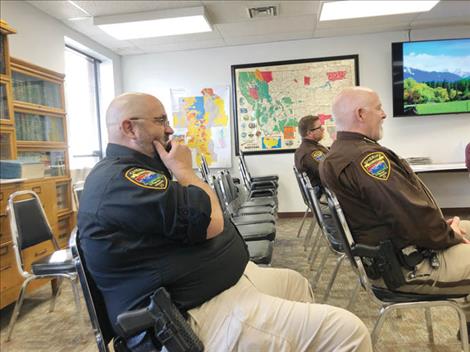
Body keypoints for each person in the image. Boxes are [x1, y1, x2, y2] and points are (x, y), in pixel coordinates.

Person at [78, 92, 372, 351]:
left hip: (215, 289)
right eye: (160, 120)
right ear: (129, 127)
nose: (169, 129)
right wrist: (184, 170)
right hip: (189, 316)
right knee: (348, 331)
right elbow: (209, 220)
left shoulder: (139, 172)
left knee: (294, 283)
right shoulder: (121, 180)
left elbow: (201, 211)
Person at [320, 86, 470, 337]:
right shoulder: (365, 159)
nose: (384, 114)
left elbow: (406, 216)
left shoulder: (339, 154)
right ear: (360, 113)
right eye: (378, 108)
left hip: (394, 252)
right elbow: (413, 219)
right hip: (407, 265)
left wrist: (447, 230)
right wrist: (450, 235)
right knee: (460, 232)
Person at [295, 115, 339, 245]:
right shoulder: (311, 152)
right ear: (309, 133)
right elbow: (328, 174)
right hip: (323, 199)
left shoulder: (310, 148)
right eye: (319, 127)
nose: (323, 129)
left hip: (320, 196)